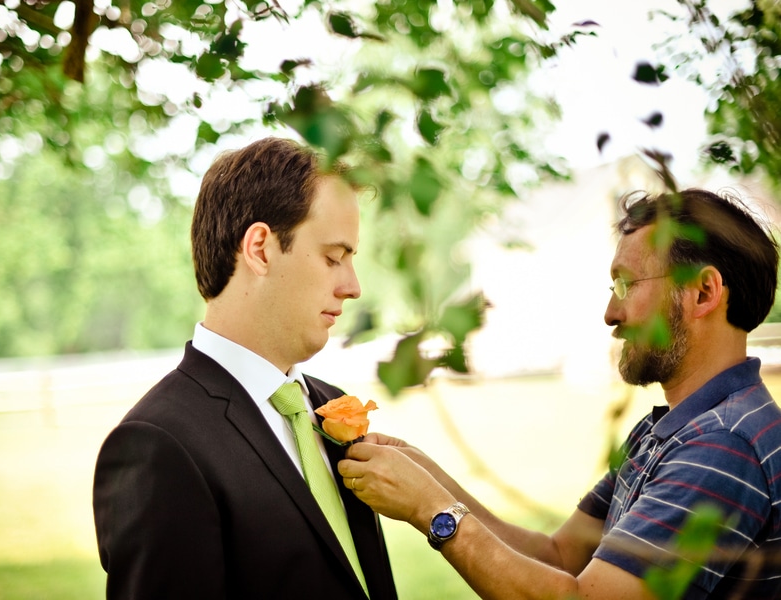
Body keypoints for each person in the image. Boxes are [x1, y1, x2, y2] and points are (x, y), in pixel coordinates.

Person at [339, 188, 781, 599]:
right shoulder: (665, 431)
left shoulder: (723, 448)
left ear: (703, 292)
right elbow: (559, 557)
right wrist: (428, 477)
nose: (611, 313)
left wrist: (429, 507)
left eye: (627, 284)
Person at [93, 137, 397, 598]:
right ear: (259, 249)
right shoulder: (158, 445)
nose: (353, 287)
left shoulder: (330, 404)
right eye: (334, 258)